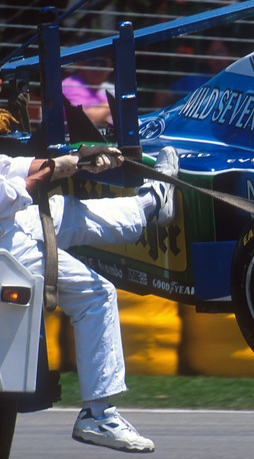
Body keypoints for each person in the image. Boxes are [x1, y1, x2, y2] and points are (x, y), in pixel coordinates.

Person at [1, 144, 180, 453]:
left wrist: (77, 159)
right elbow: (10, 194)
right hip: (6, 248)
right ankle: (98, 415)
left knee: (66, 210)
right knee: (97, 295)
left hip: (9, 227)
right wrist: (52, 170)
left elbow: (7, 167)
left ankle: (152, 203)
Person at [62, 57, 114, 128]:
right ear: (81, 64)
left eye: (102, 64)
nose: (97, 68)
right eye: (93, 63)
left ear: (109, 67)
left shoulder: (97, 91)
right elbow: (84, 120)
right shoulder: (72, 85)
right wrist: (113, 104)